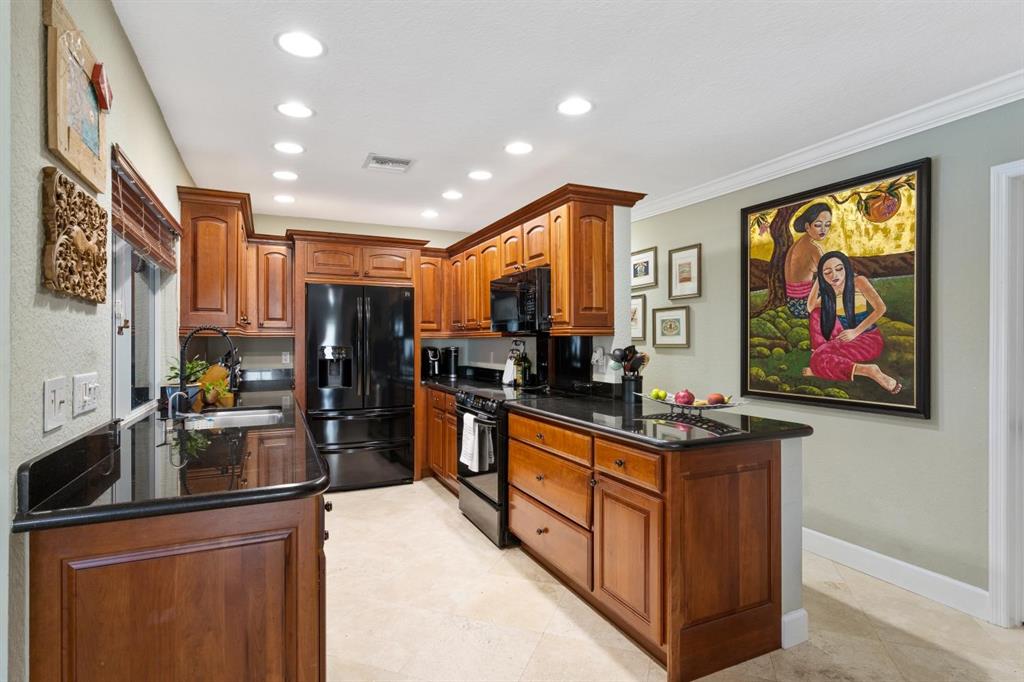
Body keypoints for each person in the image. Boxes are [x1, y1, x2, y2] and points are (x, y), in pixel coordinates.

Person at [803, 251, 902, 394]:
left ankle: (869, 370)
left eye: (838, 269)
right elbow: (811, 307)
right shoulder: (830, 290)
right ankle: (822, 364)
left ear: (846, 268)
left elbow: (881, 308)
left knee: (818, 360)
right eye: (827, 272)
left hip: (866, 339)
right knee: (817, 313)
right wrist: (819, 279)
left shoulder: (858, 281)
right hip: (844, 337)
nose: (834, 276)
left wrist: (856, 332)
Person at [784, 202, 832, 319]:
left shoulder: (797, 244)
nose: (823, 230)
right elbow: (829, 274)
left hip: (791, 302)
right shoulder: (813, 248)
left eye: (827, 225)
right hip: (803, 305)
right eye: (818, 225)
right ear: (807, 226)